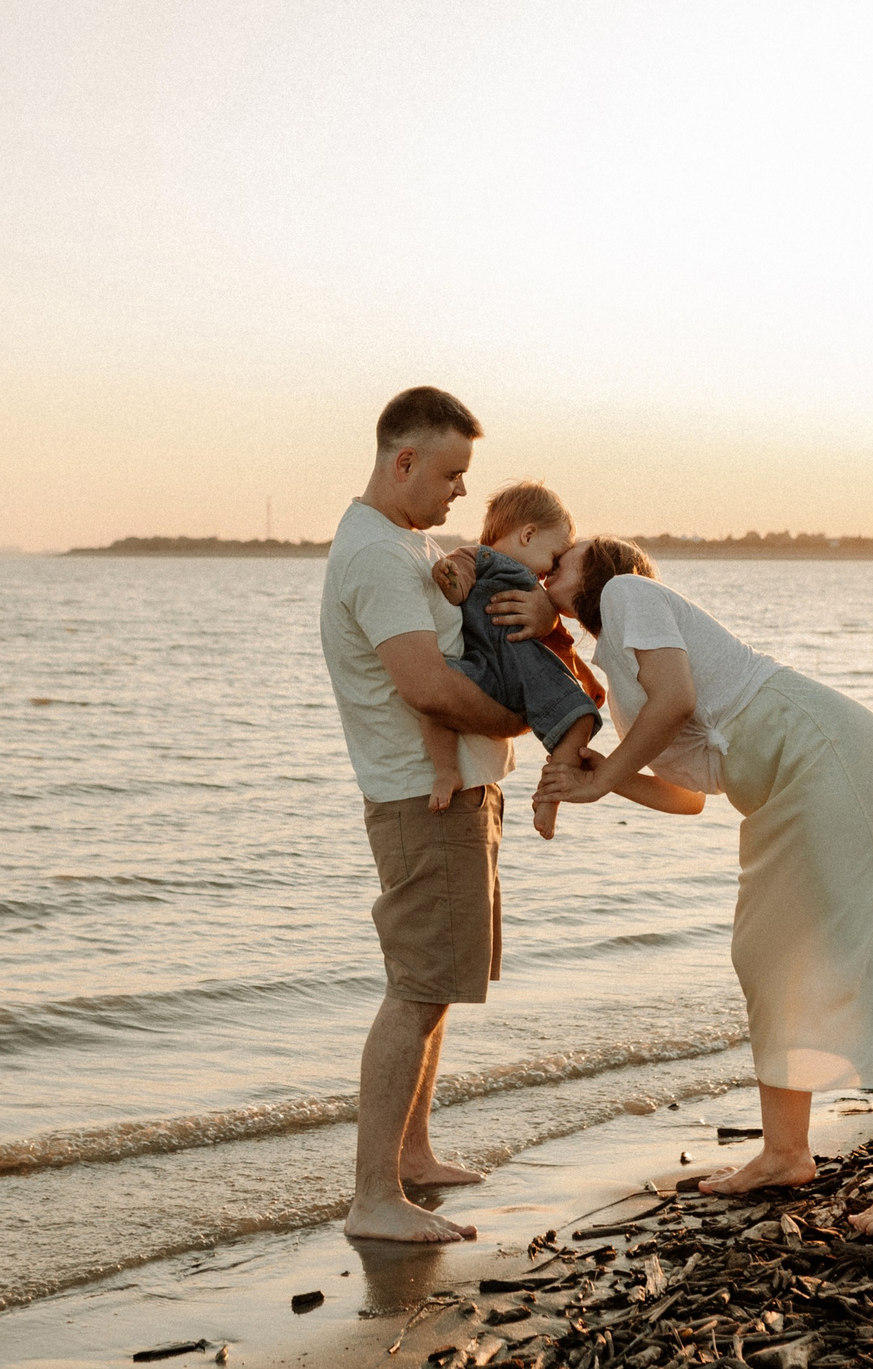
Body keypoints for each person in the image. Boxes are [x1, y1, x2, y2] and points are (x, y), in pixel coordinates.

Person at [531, 536, 873, 1235]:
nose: (550, 568)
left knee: (857, 960)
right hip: (781, 785)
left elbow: (679, 700)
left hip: (824, 751)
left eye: (563, 558)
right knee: (766, 956)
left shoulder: (629, 593)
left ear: (598, 568)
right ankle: (786, 1151)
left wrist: (602, 776)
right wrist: (600, 781)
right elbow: (687, 796)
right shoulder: (620, 669)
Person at [318, 386, 538, 1243]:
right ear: (402, 460)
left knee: (436, 983)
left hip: (457, 792)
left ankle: (411, 1156)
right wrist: (526, 718)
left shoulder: (411, 544)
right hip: (422, 797)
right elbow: (426, 685)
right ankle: (373, 1196)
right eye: (449, 474)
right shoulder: (375, 556)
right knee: (415, 989)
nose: (458, 493)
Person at [417, 480, 605, 842]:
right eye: (554, 558)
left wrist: (586, 678)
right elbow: (458, 573)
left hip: (526, 671)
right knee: (435, 698)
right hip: (485, 667)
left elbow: (560, 644)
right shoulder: (483, 558)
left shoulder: (538, 595)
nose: (550, 573)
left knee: (580, 717)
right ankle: (445, 770)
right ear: (528, 535)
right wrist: (451, 579)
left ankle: (550, 796)